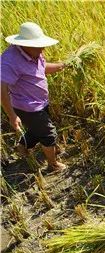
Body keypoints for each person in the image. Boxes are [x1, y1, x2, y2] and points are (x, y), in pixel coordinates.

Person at [1, 22, 67, 171]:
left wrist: (63, 65)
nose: (42, 48)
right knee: (49, 134)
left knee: (36, 130)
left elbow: (41, 69)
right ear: (25, 44)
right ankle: (53, 165)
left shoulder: (33, 52)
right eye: (38, 46)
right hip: (27, 107)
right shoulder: (9, 61)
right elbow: (2, 89)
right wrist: (11, 116)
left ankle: (21, 146)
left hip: (40, 102)